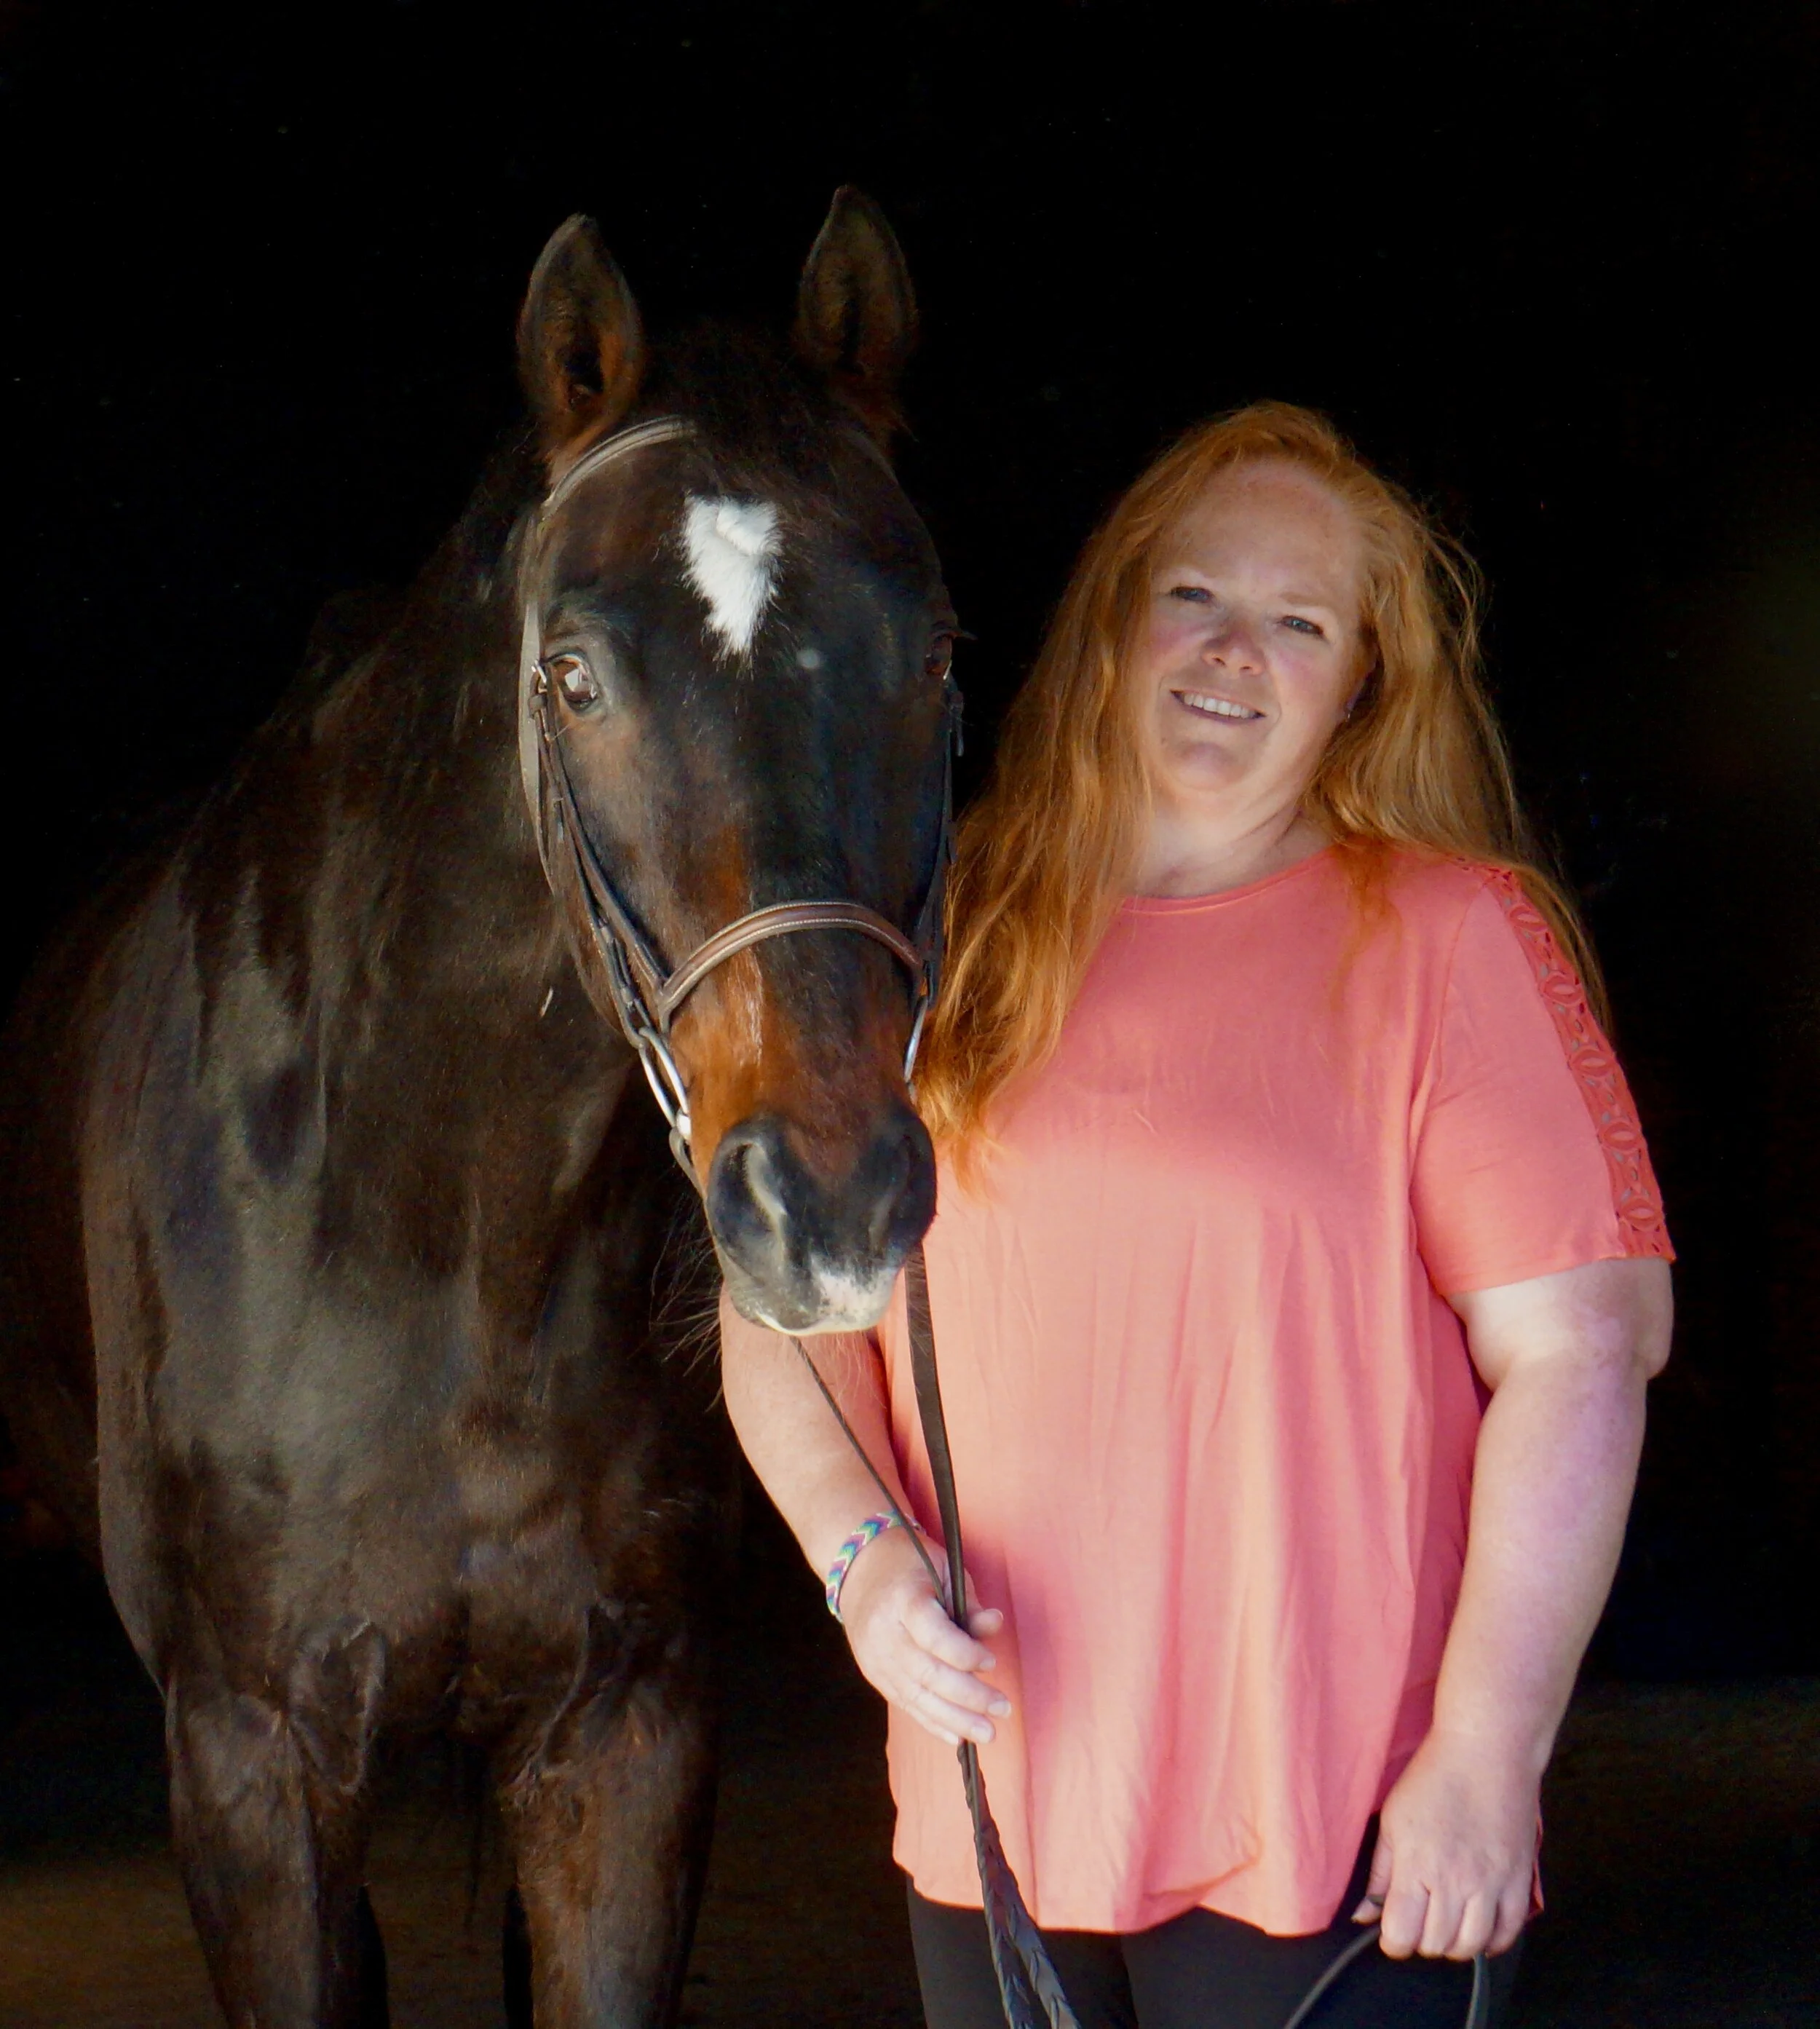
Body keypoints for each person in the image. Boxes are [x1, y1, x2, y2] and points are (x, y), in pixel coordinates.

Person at [719, 401, 1673, 2029]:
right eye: (1194, 597)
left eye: (1298, 621)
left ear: (1361, 678)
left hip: (1342, 1834)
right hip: (993, 1818)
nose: (1234, 651)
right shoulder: (937, 934)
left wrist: (1484, 1753)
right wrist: (859, 1562)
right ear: (1115, 616)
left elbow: (1582, 1353)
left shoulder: (1446, 940)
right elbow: (785, 1310)